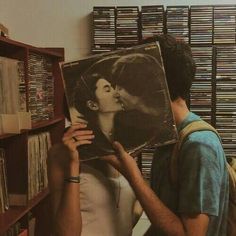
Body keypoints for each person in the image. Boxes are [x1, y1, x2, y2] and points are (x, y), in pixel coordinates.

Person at [102, 34, 229, 236]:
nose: (117, 93)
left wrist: (132, 174)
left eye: (129, 81)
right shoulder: (168, 136)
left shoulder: (199, 145)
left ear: (154, 83)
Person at [47, 56, 142, 236]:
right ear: (92, 104)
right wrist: (74, 165)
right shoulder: (61, 154)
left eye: (113, 87)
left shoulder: (127, 147)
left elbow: (135, 205)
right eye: (108, 89)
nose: (116, 93)